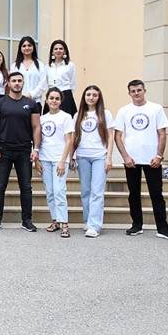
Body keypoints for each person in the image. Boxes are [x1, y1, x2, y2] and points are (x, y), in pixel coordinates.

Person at [114, 79, 168, 240]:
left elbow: (162, 133)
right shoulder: (124, 111)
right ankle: (136, 225)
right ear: (129, 93)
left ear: (144, 91)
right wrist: (125, 156)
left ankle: (162, 228)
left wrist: (159, 155)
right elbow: (117, 136)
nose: (136, 93)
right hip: (131, 160)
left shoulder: (156, 108)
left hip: (152, 159)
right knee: (134, 194)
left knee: (156, 194)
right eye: (133, 91)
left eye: (139, 90)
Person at [0, 71, 42, 232]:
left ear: (23, 83)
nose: (17, 83)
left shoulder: (31, 104)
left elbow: (36, 127)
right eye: (14, 81)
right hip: (3, 150)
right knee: (0, 186)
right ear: (8, 83)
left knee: (26, 187)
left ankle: (27, 220)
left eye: (19, 80)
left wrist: (36, 149)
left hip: (24, 150)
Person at [72, 85, 113, 237]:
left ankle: (94, 226)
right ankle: (88, 220)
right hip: (82, 156)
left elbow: (110, 136)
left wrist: (109, 157)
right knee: (85, 191)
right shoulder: (78, 115)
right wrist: (72, 156)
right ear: (84, 97)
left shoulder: (105, 114)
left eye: (94, 95)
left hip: (99, 156)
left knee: (97, 191)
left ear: (99, 97)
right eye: (88, 94)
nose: (91, 97)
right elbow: (74, 137)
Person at [36, 88, 75, 237]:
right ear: (46, 100)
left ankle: (64, 223)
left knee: (59, 191)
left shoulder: (66, 117)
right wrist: (37, 160)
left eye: (57, 98)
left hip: (59, 159)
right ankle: (55, 220)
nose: (54, 101)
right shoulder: (42, 118)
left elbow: (69, 140)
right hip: (45, 158)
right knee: (50, 192)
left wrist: (63, 161)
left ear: (61, 101)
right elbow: (38, 140)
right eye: (51, 98)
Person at [10, 36, 48, 107]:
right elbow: (12, 83)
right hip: (18, 102)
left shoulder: (40, 65)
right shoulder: (14, 66)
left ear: (33, 47)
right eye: (24, 46)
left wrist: (31, 94)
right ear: (20, 48)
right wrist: (21, 95)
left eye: (29, 45)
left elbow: (43, 83)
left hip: (35, 102)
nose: (27, 48)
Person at [46, 40, 77, 116]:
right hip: (51, 95)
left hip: (66, 95)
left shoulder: (70, 65)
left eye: (61, 48)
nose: (58, 51)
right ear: (52, 52)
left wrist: (67, 95)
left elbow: (73, 83)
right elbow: (45, 83)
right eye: (56, 49)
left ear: (65, 51)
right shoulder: (47, 66)